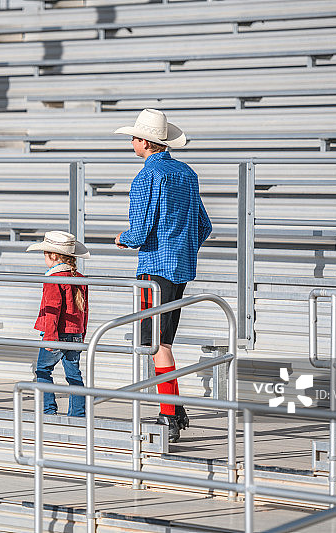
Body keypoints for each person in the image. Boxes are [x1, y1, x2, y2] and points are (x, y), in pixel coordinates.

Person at [113, 109, 212, 442]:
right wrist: (182, 247)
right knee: (163, 340)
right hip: (181, 266)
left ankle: (169, 414)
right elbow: (204, 225)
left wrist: (122, 238)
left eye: (134, 138)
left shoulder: (145, 177)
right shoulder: (187, 173)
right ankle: (175, 407)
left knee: (156, 343)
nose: (131, 142)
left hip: (154, 268)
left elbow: (140, 233)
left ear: (145, 142)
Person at [27, 231, 90, 417]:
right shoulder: (80, 278)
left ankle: (48, 410)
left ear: (53, 256)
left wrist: (49, 337)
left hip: (55, 333)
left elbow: (52, 310)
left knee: (43, 371)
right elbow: (84, 311)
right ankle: (78, 413)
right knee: (74, 374)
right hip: (75, 334)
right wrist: (82, 333)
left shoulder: (52, 279)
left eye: (45, 254)